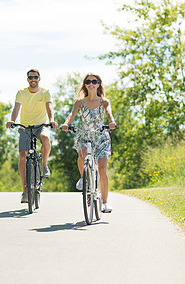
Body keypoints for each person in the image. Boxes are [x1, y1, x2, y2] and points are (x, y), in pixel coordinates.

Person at [61, 73, 117, 213]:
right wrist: (66, 123)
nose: (91, 83)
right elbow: (72, 114)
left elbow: (109, 113)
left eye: (94, 81)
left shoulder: (104, 101)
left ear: (98, 84)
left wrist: (111, 122)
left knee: (102, 170)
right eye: (88, 81)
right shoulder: (80, 102)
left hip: (101, 137)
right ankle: (83, 178)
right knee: (83, 153)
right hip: (85, 135)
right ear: (85, 84)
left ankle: (104, 203)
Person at [6, 69, 58, 204]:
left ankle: (44, 165)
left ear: (39, 78)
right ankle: (25, 191)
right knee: (23, 156)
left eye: (35, 77)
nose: (33, 79)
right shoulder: (21, 93)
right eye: (30, 77)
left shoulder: (45, 92)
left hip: (40, 125)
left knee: (46, 138)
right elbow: (16, 108)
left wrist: (51, 119)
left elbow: (49, 106)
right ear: (27, 79)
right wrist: (12, 120)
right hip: (25, 127)